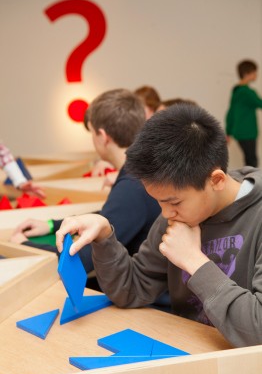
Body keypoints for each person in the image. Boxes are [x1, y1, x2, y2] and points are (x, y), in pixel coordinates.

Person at [56, 103, 262, 348]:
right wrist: (104, 235)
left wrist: (193, 261)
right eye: (158, 202)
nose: (165, 214)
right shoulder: (175, 215)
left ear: (216, 180)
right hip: (185, 354)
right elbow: (130, 289)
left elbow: (257, 330)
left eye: (173, 201)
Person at [10, 89, 161, 276]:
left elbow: (81, 259)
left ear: (103, 136)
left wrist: (24, 245)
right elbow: (109, 217)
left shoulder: (131, 186)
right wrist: (53, 225)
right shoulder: (138, 174)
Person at [225, 59, 262, 167]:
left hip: (239, 132)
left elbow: (230, 112)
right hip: (248, 132)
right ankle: (253, 183)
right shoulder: (247, 92)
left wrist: (228, 132)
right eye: (254, 72)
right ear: (247, 74)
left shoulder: (236, 90)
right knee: (252, 161)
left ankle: (249, 182)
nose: (256, 75)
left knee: (249, 160)